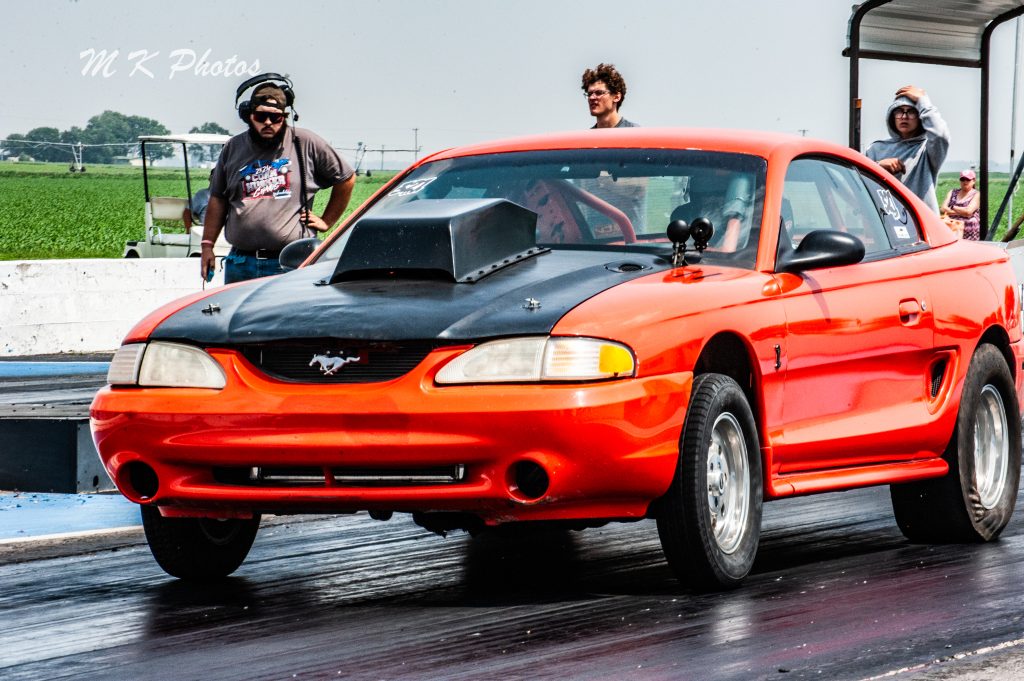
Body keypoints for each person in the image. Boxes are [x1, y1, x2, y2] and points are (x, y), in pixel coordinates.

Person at [200, 81, 356, 283]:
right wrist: (207, 245)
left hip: (291, 263)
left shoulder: (305, 142)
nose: (268, 122)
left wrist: (327, 221)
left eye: (275, 117)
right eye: (261, 116)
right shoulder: (233, 147)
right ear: (249, 116)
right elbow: (218, 199)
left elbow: (346, 178)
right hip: (241, 262)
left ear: (284, 117)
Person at [865, 85, 950, 214]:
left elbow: (940, 135)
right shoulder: (875, 149)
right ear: (892, 115)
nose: (904, 116)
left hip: (919, 220)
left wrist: (923, 100)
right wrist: (877, 168)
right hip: (885, 222)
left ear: (920, 116)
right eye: (899, 111)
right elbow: (860, 185)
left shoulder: (927, 151)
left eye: (911, 112)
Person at [581, 63, 638, 129]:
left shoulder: (634, 132)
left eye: (599, 93)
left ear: (616, 97)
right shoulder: (587, 135)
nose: (592, 97)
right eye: (589, 94)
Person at [940, 169, 981, 240]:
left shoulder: (976, 194)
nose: (965, 182)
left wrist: (952, 207)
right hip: (951, 229)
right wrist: (962, 212)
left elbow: (968, 212)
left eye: (968, 179)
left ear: (974, 181)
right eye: (962, 179)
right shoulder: (952, 192)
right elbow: (942, 209)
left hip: (969, 233)